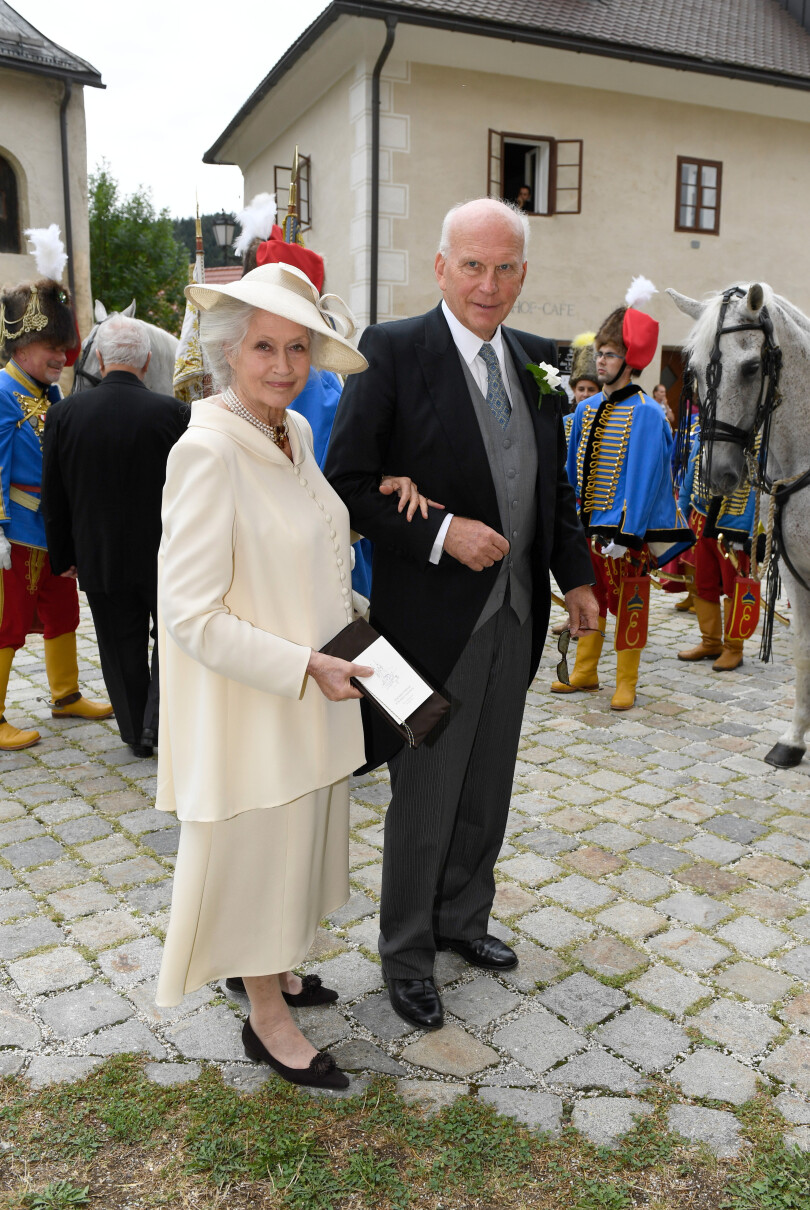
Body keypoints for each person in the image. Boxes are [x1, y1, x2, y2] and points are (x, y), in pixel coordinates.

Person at [153, 262, 430, 1090]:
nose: (283, 365)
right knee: (258, 854)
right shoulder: (205, 451)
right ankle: (266, 1013)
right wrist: (303, 664)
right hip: (253, 701)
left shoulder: (295, 434)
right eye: (265, 347)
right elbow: (191, 616)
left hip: (316, 688)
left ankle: (272, 964)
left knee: (297, 848)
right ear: (229, 354)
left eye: (298, 348)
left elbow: (314, 537)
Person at [326, 198, 597, 1031]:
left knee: (488, 787)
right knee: (426, 796)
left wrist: (577, 578)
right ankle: (407, 954)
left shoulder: (540, 360)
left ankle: (462, 920)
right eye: (472, 265)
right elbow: (350, 483)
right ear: (441, 267)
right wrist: (441, 530)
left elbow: (550, 488)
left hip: (515, 618)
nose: (488, 283)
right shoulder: (394, 351)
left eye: (505, 266)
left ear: (523, 274)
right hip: (426, 628)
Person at [41, 316, 188, 758]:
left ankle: (133, 731)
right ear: (146, 360)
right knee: (172, 638)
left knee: (118, 642)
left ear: (100, 360)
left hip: (98, 554)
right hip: (166, 554)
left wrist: (63, 556)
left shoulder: (63, 414)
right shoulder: (175, 413)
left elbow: (54, 494)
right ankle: (159, 724)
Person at [552, 281, 692, 710]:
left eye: (609, 353)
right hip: (587, 529)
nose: (601, 360)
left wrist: (627, 534)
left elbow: (648, 480)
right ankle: (585, 670)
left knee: (631, 603)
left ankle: (626, 679)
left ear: (630, 361)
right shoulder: (586, 409)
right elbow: (571, 468)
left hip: (624, 537)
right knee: (587, 598)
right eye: (599, 352)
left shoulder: (648, 415)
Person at [0, 256, 113, 751]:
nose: (63, 359)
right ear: (22, 345)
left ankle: (65, 695)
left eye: (64, 349)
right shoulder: (3, 392)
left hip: (51, 530)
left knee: (63, 611)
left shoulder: (50, 396)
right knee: (6, 622)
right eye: (52, 348)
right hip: (16, 531)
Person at [676, 423, 757, 671]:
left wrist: (748, 531)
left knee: (735, 587)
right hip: (701, 518)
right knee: (704, 583)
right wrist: (681, 510)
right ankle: (710, 642)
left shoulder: (758, 438)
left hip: (733, 521)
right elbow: (691, 474)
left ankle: (734, 648)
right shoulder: (704, 431)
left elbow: (756, 488)